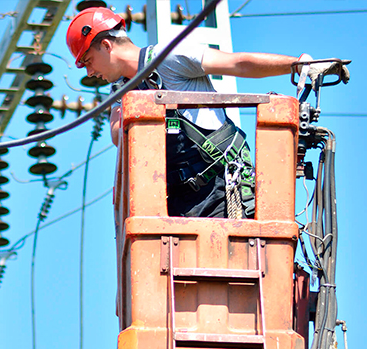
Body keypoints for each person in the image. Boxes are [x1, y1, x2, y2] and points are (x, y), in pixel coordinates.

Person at [66, 7, 348, 218]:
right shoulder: (122, 93)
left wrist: (297, 65)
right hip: (180, 202)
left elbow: (237, 63)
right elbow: (119, 136)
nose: (91, 73)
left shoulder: (169, 58)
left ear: (106, 44)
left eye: (89, 61)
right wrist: (124, 99)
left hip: (222, 189)